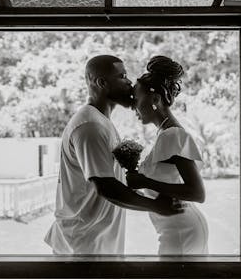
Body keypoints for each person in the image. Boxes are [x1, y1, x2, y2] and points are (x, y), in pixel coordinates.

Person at [44, 55, 183, 255]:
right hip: (84, 245)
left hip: (97, 241)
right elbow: (107, 187)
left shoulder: (102, 122)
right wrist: (155, 205)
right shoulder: (90, 126)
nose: (129, 82)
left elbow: (114, 181)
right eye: (122, 76)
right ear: (102, 83)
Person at [126, 55, 209, 255]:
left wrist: (146, 182)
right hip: (175, 228)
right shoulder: (165, 134)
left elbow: (197, 193)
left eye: (136, 100)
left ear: (155, 100)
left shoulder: (172, 135)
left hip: (181, 232)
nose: (133, 107)